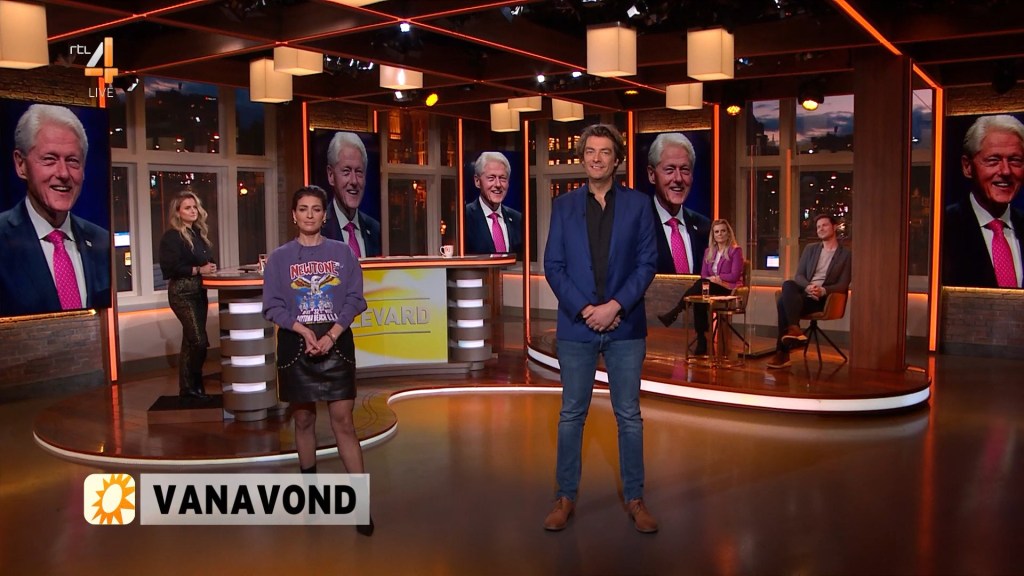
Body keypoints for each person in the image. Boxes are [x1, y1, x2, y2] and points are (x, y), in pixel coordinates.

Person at [542, 124, 659, 534]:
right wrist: (586, 309)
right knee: (571, 415)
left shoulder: (639, 205)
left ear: (617, 159)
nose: (596, 158)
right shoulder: (563, 206)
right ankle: (564, 497)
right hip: (578, 327)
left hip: (625, 326)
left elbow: (647, 263)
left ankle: (636, 498)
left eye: (605, 152)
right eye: (590, 151)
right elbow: (553, 266)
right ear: (582, 158)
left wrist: (615, 306)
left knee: (629, 416)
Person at [262, 185, 373, 536]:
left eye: (315, 209)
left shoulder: (343, 253)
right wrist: (303, 331)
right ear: (293, 215)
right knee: (304, 420)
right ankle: (310, 499)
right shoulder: (279, 258)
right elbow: (272, 305)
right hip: (296, 345)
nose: (309, 215)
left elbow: (355, 299)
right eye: (303, 209)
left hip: (336, 344)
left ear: (325, 215)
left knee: (344, 422)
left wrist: (331, 335)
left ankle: (361, 507)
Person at [0, 104, 110, 317]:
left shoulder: (101, 241)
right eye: (49, 159)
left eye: (72, 161)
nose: (63, 173)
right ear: (21, 164)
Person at [943, 114, 1024, 288]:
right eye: (993, 160)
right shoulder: (943, 228)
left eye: (1015, 160)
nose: (1006, 171)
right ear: (967, 167)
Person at [766, 214, 851, 369]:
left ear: (834, 227)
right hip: (805, 293)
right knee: (788, 284)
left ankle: (783, 353)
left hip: (822, 299)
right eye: (818, 227)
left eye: (824, 225)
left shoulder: (845, 254)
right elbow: (799, 276)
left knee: (782, 303)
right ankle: (794, 329)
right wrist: (808, 287)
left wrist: (823, 290)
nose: (820, 229)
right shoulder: (810, 249)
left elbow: (843, 284)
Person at [158, 191, 217, 400]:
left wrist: (210, 267)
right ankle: (194, 382)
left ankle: (188, 388)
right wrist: (198, 270)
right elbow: (170, 268)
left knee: (190, 341)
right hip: (182, 293)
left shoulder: (198, 234)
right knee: (199, 341)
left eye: (194, 207)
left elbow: (205, 261)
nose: (193, 211)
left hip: (199, 292)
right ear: (178, 212)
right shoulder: (172, 236)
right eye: (187, 208)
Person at [659, 219, 744, 356]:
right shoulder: (708, 252)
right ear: (713, 235)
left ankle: (675, 311)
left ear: (728, 233)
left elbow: (734, 275)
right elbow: (704, 274)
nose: (720, 234)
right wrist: (711, 280)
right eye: (717, 232)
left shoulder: (735, 251)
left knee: (700, 285)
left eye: (723, 231)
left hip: (727, 288)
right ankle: (701, 339)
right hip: (710, 286)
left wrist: (718, 278)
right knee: (699, 298)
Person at [647, 132, 711, 275]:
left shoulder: (705, 227)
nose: (678, 179)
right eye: (669, 170)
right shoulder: (637, 226)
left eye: (684, 170)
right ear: (652, 175)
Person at [322, 131, 382, 257]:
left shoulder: (376, 230)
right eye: (346, 171)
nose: (354, 181)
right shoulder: (319, 230)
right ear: (331, 175)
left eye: (359, 172)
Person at [464, 151, 523, 256]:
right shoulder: (464, 217)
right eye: (491, 178)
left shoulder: (518, 219)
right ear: (477, 181)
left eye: (502, 178)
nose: (498, 184)